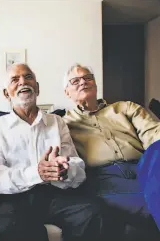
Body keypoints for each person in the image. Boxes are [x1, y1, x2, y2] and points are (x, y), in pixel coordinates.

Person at [0, 63, 111, 241]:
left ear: (37, 87)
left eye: (28, 77)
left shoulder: (57, 122)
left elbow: (78, 166)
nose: (23, 82)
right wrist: (37, 173)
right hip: (16, 198)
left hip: (57, 194)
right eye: (15, 80)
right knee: (7, 226)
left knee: (94, 212)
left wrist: (66, 170)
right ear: (7, 93)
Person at [63, 63, 160, 239]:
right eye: (75, 81)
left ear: (95, 84)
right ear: (67, 92)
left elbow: (153, 133)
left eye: (87, 78)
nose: (83, 82)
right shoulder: (63, 124)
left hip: (144, 168)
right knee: (152, 203)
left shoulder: (126, 108)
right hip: (104, 178)